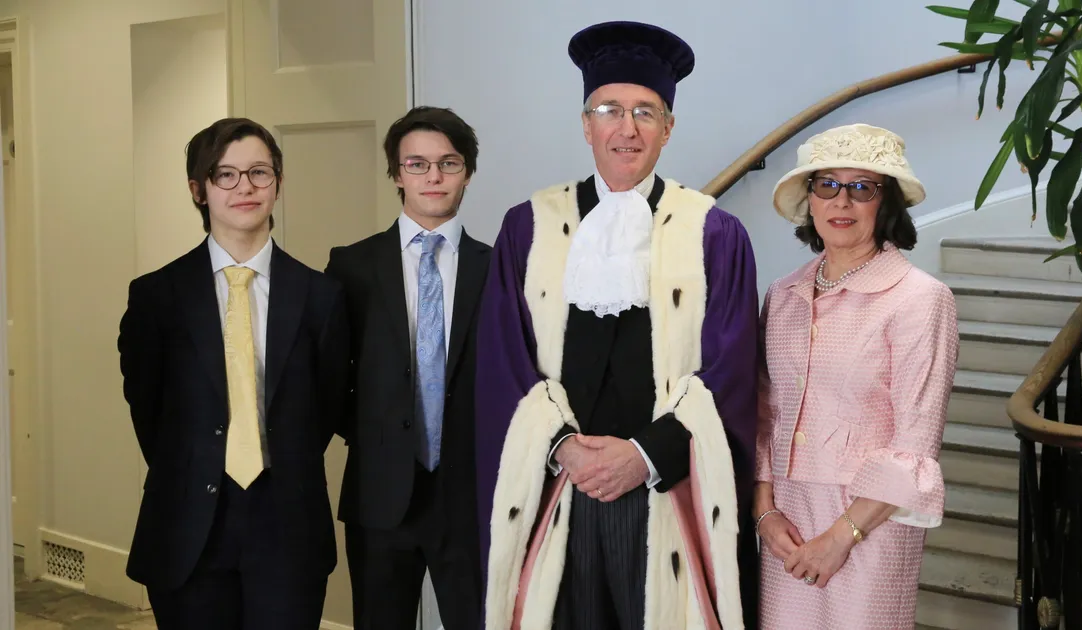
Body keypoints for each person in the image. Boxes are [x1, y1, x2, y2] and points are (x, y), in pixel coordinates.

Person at [475, 21, 759, 630]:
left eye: (645, 113)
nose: (626, 129)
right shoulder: (527, 227)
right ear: (586, 124)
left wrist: (644, 456)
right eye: (610, 109)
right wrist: (564, 449)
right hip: (558, 491)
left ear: (668, 128)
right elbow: (503, 359)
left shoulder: (713, 232)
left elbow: (731, 370)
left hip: (664, 492)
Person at [117, 118, 350, 629]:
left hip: (286, 522)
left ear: (278, 184)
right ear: (198, 190)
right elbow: (149, 410)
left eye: (259, 173)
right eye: (226, 175)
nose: (245, 187)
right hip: (188, 525)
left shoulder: (321, 297)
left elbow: (328, 406)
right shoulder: (157, 297)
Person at [754, 123, 959, 629]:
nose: (841, 201)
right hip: (787, 520)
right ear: (810, 199)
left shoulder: (921, 298)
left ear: (884, 204)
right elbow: (763, 413)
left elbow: (916, 440)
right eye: (827, 184)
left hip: (872, 522)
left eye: (862, 187)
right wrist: (764, 513)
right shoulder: (782, 295)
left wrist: (841, 537)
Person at [324, 106, 491, 630]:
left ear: (467, 171)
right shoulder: (351, 266)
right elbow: (330, 379)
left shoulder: (500, 267)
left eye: (449, 163)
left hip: (471, 494)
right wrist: (377, 436)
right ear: (397, 174)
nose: (434, 176)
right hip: (380, 494)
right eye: (417, 164)